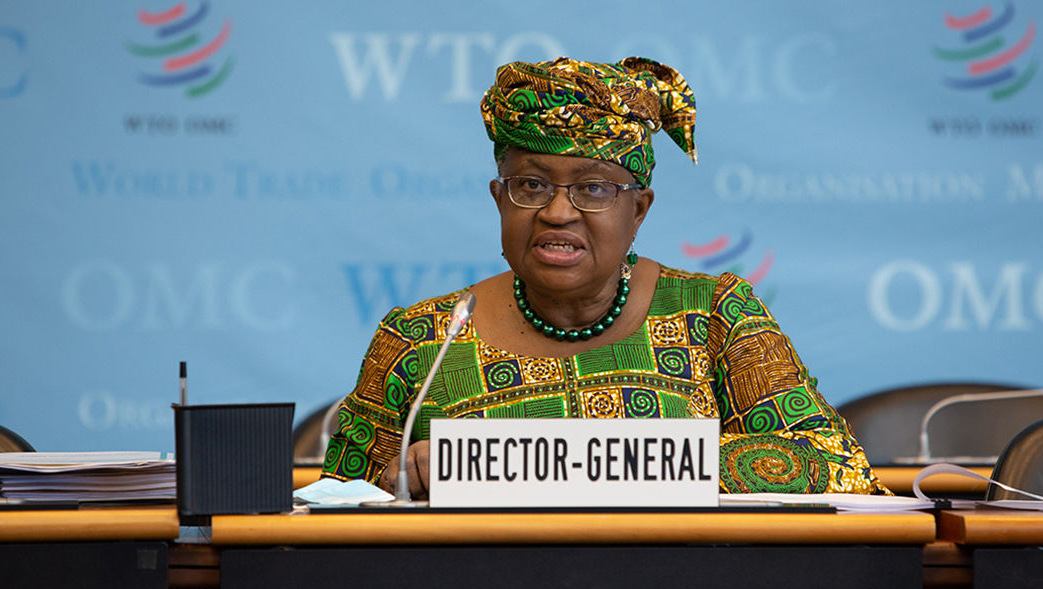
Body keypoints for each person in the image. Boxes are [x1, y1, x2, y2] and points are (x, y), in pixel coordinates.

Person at [321, 56, 889, 498]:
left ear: (638, 210)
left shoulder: (716, 314)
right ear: (500, 200)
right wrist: (406, 479)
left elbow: (836, 464)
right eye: (532, 185)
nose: (558, 212)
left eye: (594, 188)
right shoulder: (422, 339)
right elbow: (334, 508)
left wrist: (596, 460)